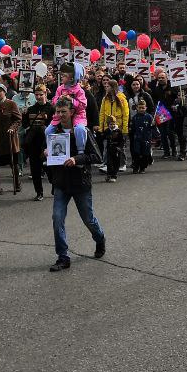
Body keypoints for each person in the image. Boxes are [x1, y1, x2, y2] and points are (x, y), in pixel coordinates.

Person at [45, 97, 105, 272]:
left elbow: (97, 157)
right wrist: (46, 152)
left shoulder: (82, 131)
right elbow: (50, 155)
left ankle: (100, 238)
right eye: (58, 111)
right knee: (57, 219)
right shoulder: (53, 131)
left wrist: (76, 158)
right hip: (61, 183)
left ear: (72, 112)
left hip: (80, 183)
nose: (60, 115)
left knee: (88, 219)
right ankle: (63, 256)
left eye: (64, 111)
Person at [0, 82, 22, 195]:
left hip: (9, 138)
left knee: (13, 163)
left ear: (4, 92)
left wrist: (13, 128)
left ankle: (17, 183)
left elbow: (18, 119)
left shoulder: (11, 104)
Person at [21, 83, 54, 201]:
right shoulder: (30, 109)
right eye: (36, 94)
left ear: (45, 94)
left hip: (47, 142)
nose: (39, 96)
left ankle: (54, 185)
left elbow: (55, 124)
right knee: (35, 169)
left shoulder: (52, 108)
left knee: (49, 167)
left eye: (41, 94)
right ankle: (39, 192)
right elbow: (24, 124)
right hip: (33, 142)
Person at [128, 98, 155, 173]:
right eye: (139, 108)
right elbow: (132, 128)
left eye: (143, 108)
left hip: (146, 138)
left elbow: (152, 128)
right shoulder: (135, 118)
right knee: (137, 153)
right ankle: (136, 167)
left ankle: (142, 168)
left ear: (146, 108)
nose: (141, 109)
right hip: (137, 138)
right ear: (137, 108)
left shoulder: (149, 117)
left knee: (145, 153)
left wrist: (153, 124)